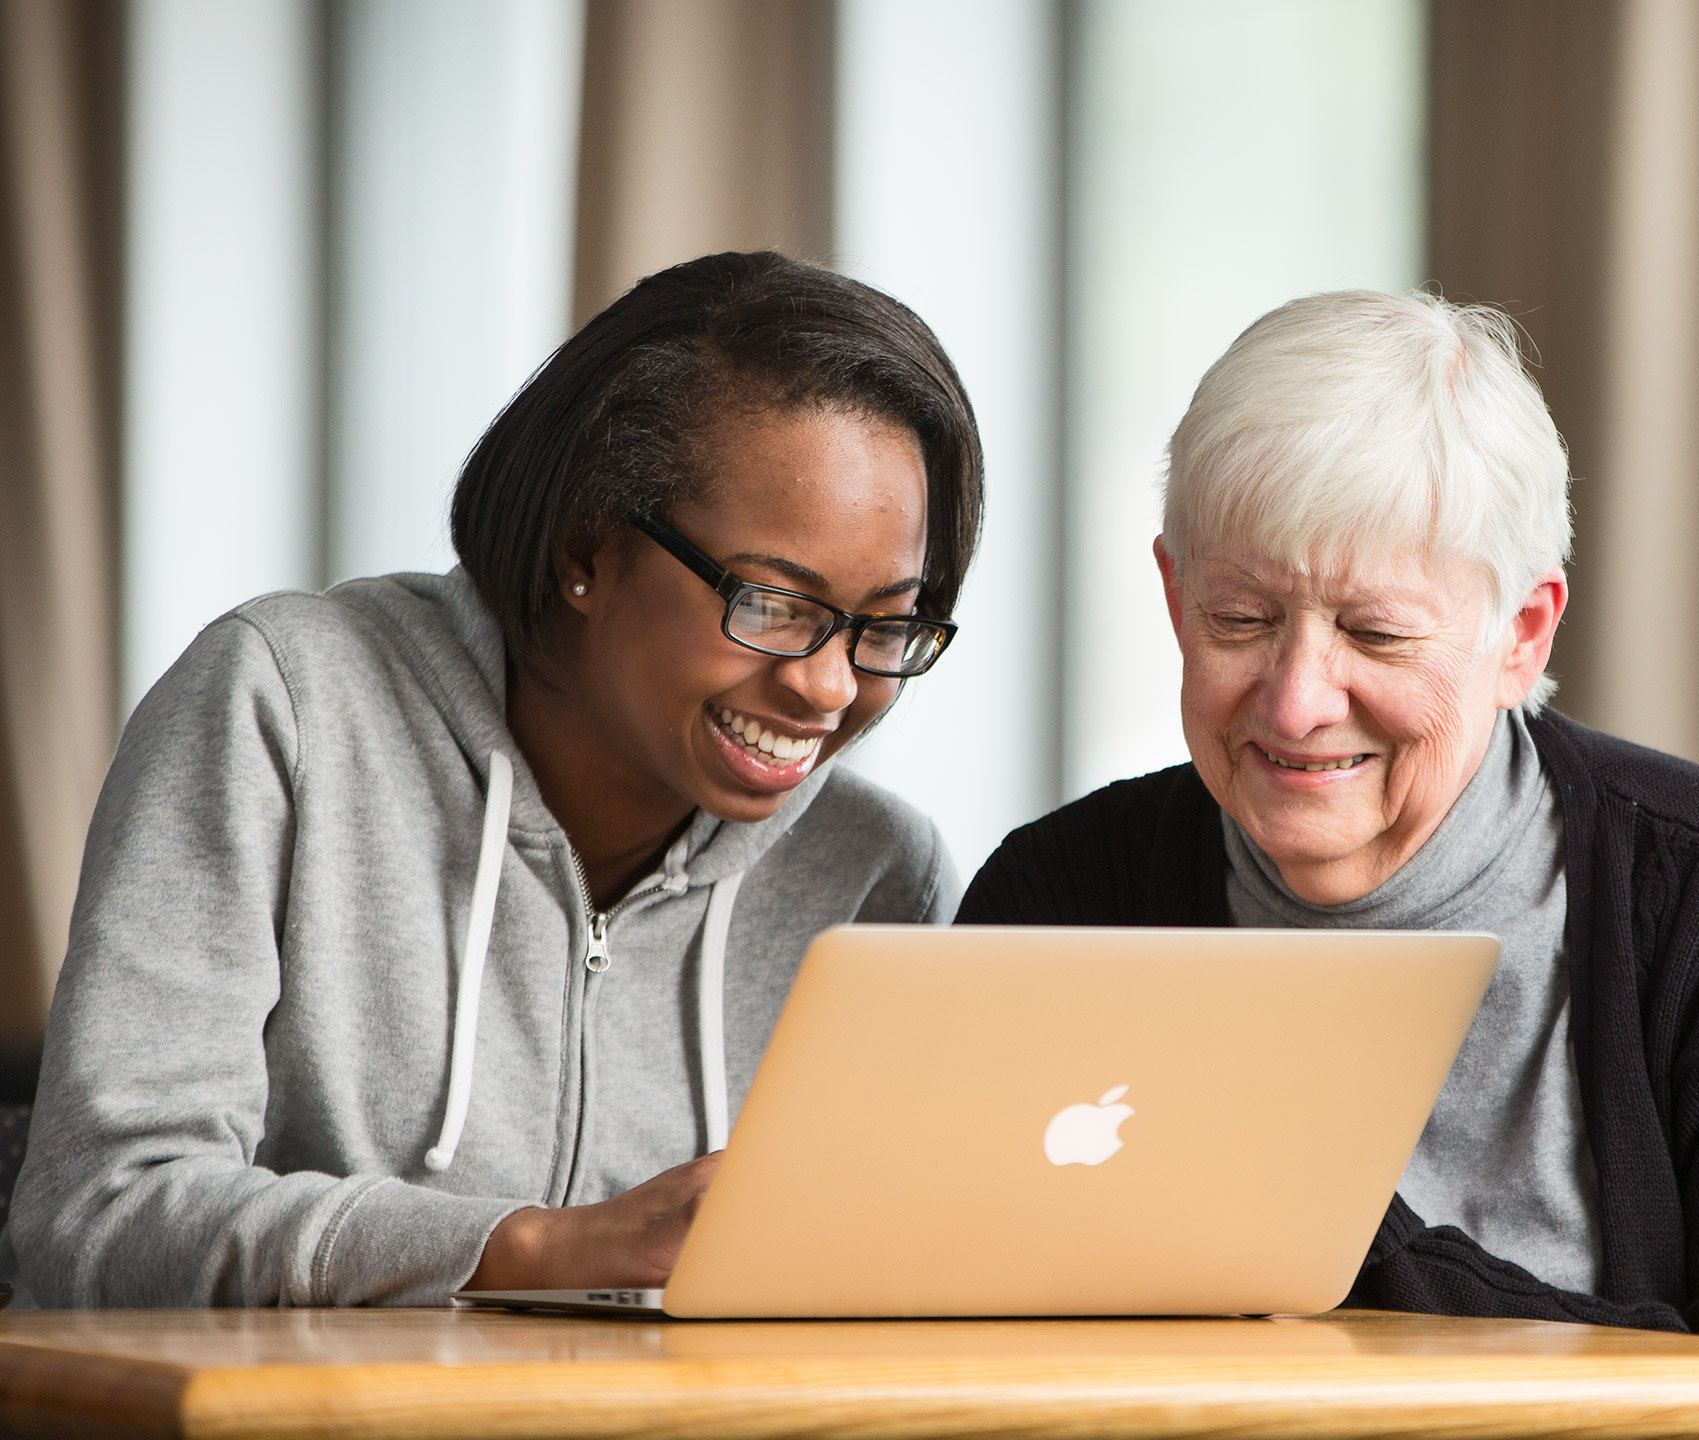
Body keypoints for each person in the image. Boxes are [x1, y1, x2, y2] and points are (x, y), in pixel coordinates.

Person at [960, 290, 1699, 1367]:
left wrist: (1346, 1261)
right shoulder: (1057, 899)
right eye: (1241, 620)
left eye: (1374, 634)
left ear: (1521, 635)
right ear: (1175, 597)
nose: (1294, 703)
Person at [9, 252, 977, 1306]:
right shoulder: (284, 707)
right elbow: (97, 1216)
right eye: (772, 602)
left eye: (886, 624)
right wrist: (541, 1247)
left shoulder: (875, 874)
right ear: (588, 548)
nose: (829, 686)